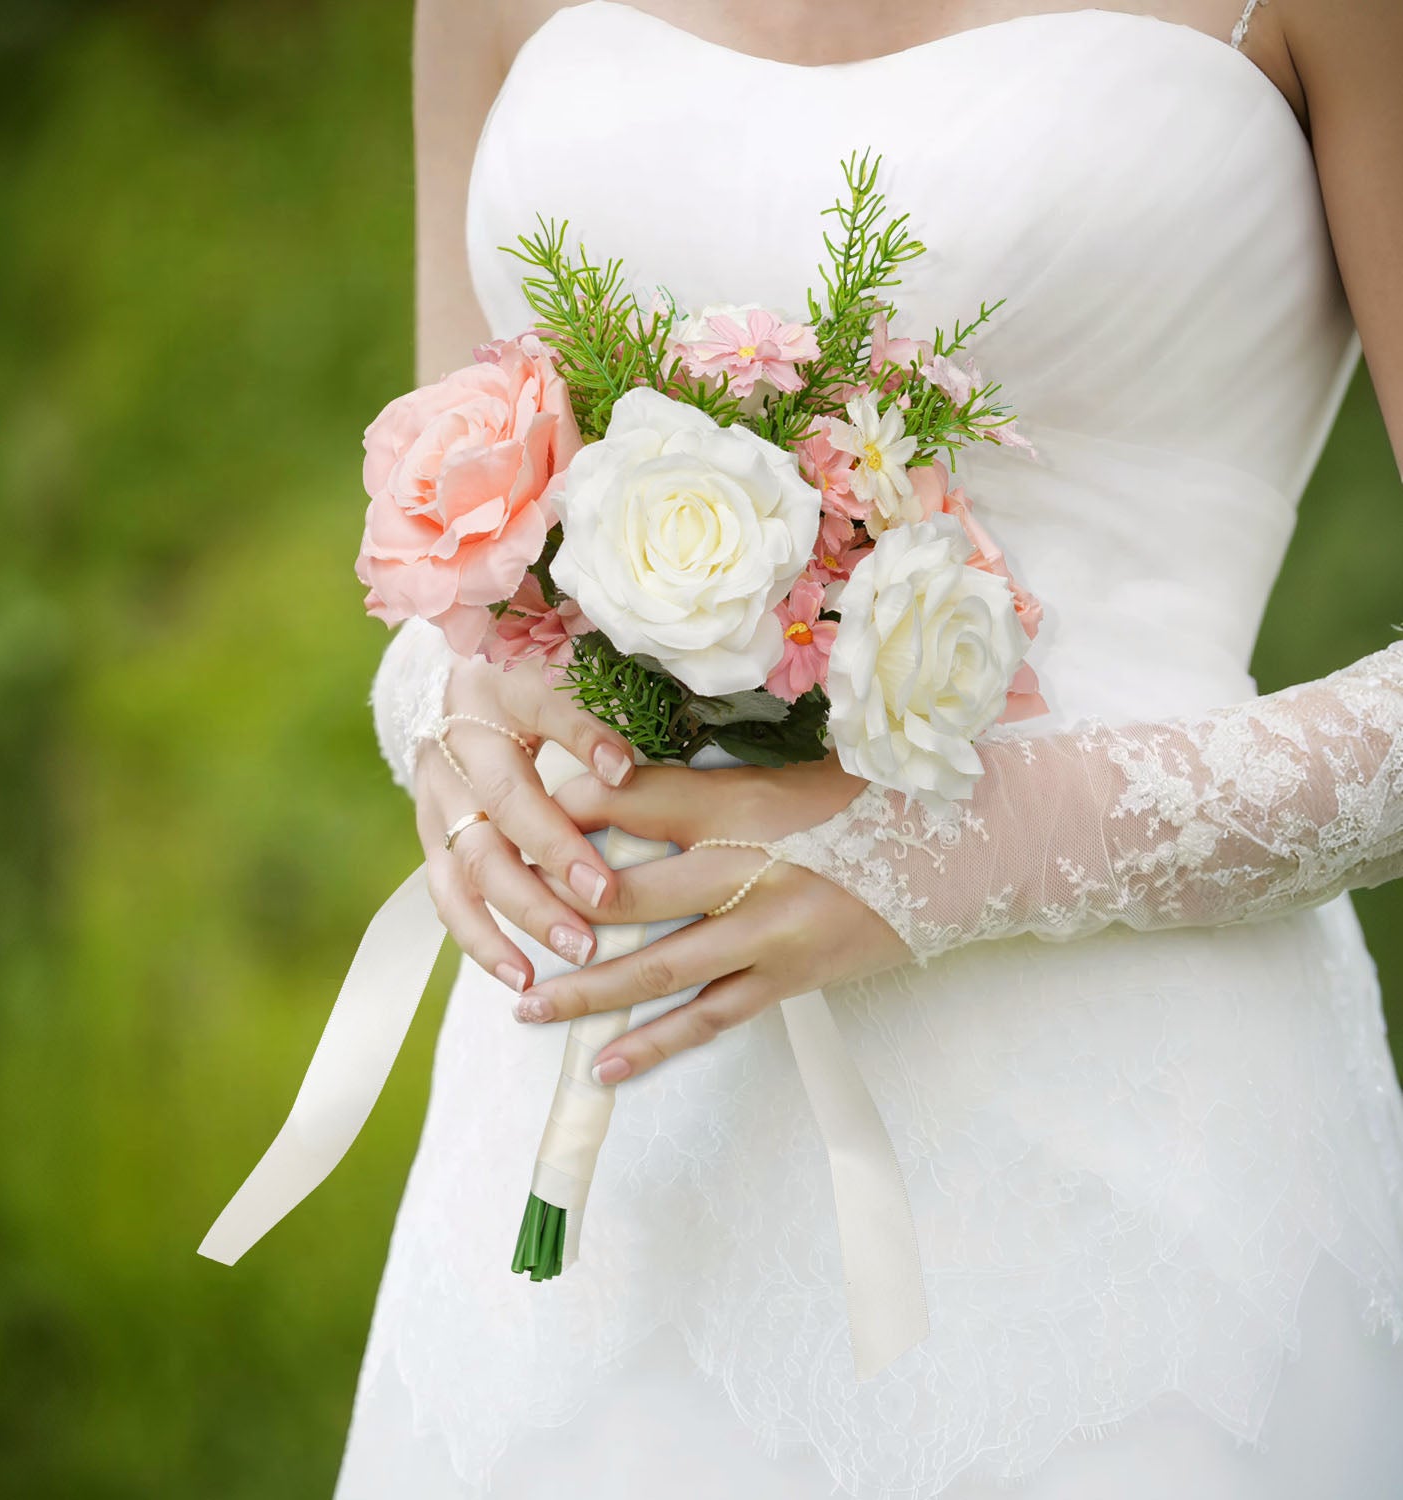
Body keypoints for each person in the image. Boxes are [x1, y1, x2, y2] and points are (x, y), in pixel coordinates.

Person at [335, 3, 1403, 1494]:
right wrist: (450, 724)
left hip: (1126, 1135)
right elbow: (446, 545)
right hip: (603, 1130)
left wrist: (967, 843)